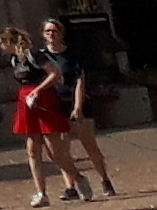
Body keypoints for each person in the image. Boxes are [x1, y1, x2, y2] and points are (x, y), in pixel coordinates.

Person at [44, 20, 120, 199]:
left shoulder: (72, 55)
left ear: (61, 33)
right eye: (47, 31)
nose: (51, 34)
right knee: (61, 149)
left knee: (89, 145)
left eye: (54, 30)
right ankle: (70, 186)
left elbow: (80, 81)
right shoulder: (41, 56)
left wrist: (78, 106)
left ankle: (104, 179)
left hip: (74, 102)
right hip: (54, 105)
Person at [7, 27, 65, 204]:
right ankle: (41, 192)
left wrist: (38, 90)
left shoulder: (35, 55)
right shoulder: (13, 60)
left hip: (43, 98)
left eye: (3, 43)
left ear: (9, 42)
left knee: (54, 150)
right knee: (32, 150)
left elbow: (54, 73)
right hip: (26, 100)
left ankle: (77, 178)